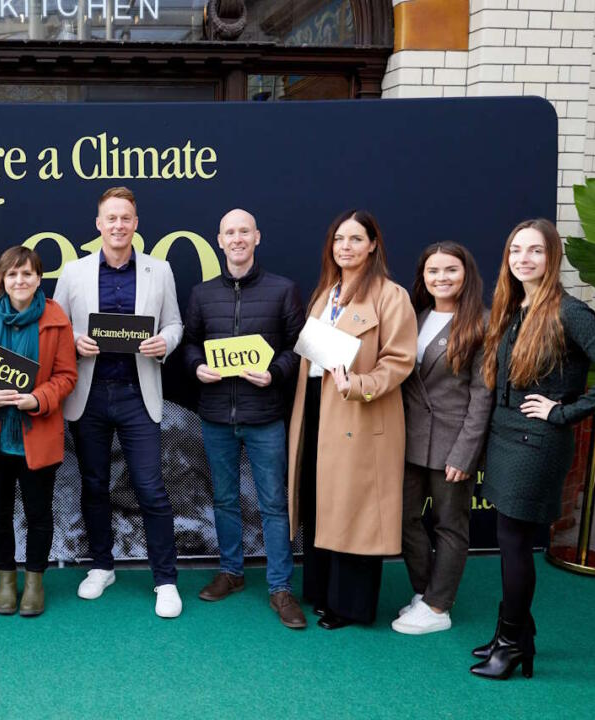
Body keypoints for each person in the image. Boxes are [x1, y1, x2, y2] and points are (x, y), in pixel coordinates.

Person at [471, 219, 595, 679]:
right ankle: (517, 636)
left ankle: (511, 644)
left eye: (536, 251)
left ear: (552, 257)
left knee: (515, 545)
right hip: (505, 437)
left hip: (536, 443)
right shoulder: (513, 306)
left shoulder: (570, 311)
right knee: (511, 545)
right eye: (516, 250)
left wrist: (563, 412)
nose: (524, 259)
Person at [52, 186, 185, 618]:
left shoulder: (158, 271)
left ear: (136, 223)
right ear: (98, 224)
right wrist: (74, 341)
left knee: (150, 488)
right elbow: (56, 325)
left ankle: (165, 580)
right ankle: (102, 565)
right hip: (88, 396)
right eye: (110, 218)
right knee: (94, 486)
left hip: (136, 394)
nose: (118, 225)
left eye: (125, 218)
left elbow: (175, 323)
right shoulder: (73, 273)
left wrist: (165, 341)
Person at [287, 209, 416, 629]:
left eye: (356, 239)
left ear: (373, 244)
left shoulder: (391, 296)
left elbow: (399, 362)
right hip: (318, 411)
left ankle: (351, 607)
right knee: (322, 502)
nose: (346, 247)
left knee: (354, 510)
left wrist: (359, 384)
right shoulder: (327, 294)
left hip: (359, 414)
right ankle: (323, 594)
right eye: (339, 239)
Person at [181, 209, 307, 629]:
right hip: (216, 414)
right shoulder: (201, 294)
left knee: (273, 503)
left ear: (257, 237)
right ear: (219, 240)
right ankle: (232, 573)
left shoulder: (283, 290)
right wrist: (196, 365)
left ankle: (280, 588)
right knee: (224, 499)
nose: (237, 239)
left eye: (244, 232)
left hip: (265, 415)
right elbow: (190, 344)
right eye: (229, 232)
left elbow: (298, 348)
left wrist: (275, 373)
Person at [0, 246, 78, 616]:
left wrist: (39, 399)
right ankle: (7, 582)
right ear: (2, 279)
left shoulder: (56, 319)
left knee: (38, 515)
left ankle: (34, 584)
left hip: (36, 434)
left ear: (39, 278)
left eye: (27, 273)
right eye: (12, 274)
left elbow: (66, 376)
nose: (20, 280)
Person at [392, 242, 491, 635]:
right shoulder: (414, 318)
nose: (441, 278)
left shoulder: (482, 323)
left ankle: (438, 606)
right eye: (433, 271)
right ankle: (425, 592)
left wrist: (465, 453)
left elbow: (482, 395)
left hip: (453, 443)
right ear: (423, 277)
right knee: (404, 519)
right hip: (409, 440)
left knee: (450, 525)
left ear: (466, 274)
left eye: (450, 270)